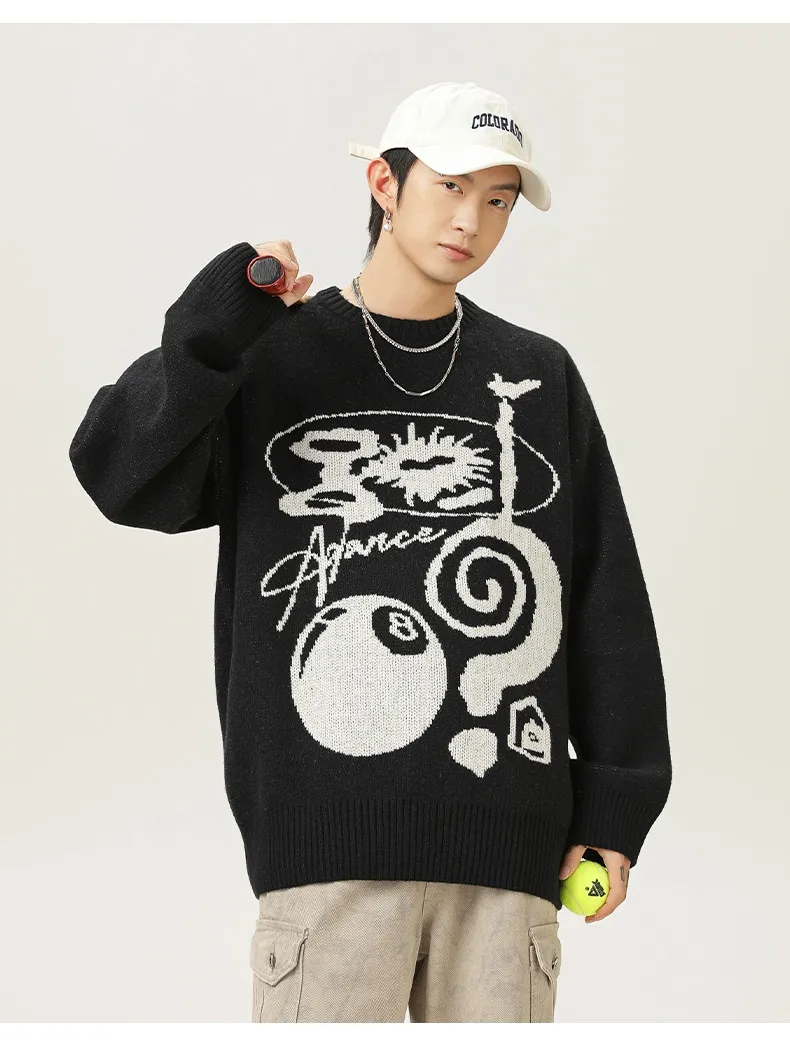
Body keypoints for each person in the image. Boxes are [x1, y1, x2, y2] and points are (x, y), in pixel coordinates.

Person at [68, 80, 672, 1023]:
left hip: (507, 854)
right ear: (385, 185)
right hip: (325, 854)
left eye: (499, 199)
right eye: (450, 187)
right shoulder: (273, 358)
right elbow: (118, 473)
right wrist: (223, 322)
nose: (471, 220)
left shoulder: (539, 373)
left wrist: (614, 811)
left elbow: (605, 600)